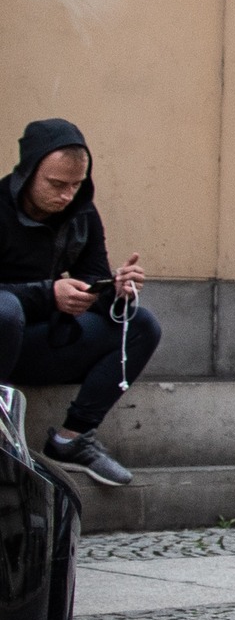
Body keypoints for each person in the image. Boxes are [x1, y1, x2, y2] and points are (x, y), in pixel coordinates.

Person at [0, 121, 157, 487]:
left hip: (40, 345)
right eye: (56, 184)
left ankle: (70, 441)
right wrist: (48, 294)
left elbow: (91, 284)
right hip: (4, 333)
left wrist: (116, 290)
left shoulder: (81, 214)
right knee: (5, 311)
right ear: (28, 171)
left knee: (142, 325)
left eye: (75, 184)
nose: (66, 195)